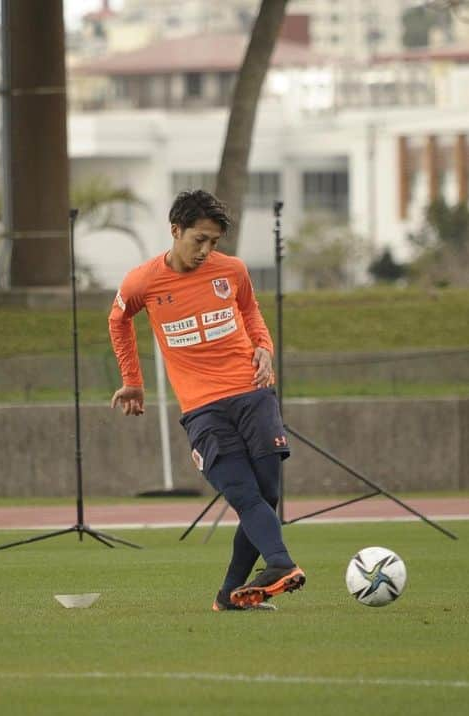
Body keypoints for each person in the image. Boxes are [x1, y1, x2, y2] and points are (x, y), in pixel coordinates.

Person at [108, 189, 305, 612]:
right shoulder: (142, 281)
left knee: (266, 496)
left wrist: (264, 348)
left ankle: (229, 596)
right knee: (245, 495)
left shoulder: (232, 271)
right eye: (199, 239)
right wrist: (133, 381)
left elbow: (250, 312)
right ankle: (280, 563)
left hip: (253, 394)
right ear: (175, 230)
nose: (206, 250)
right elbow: (118, 319)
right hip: (203, 410)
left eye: (214, 242)